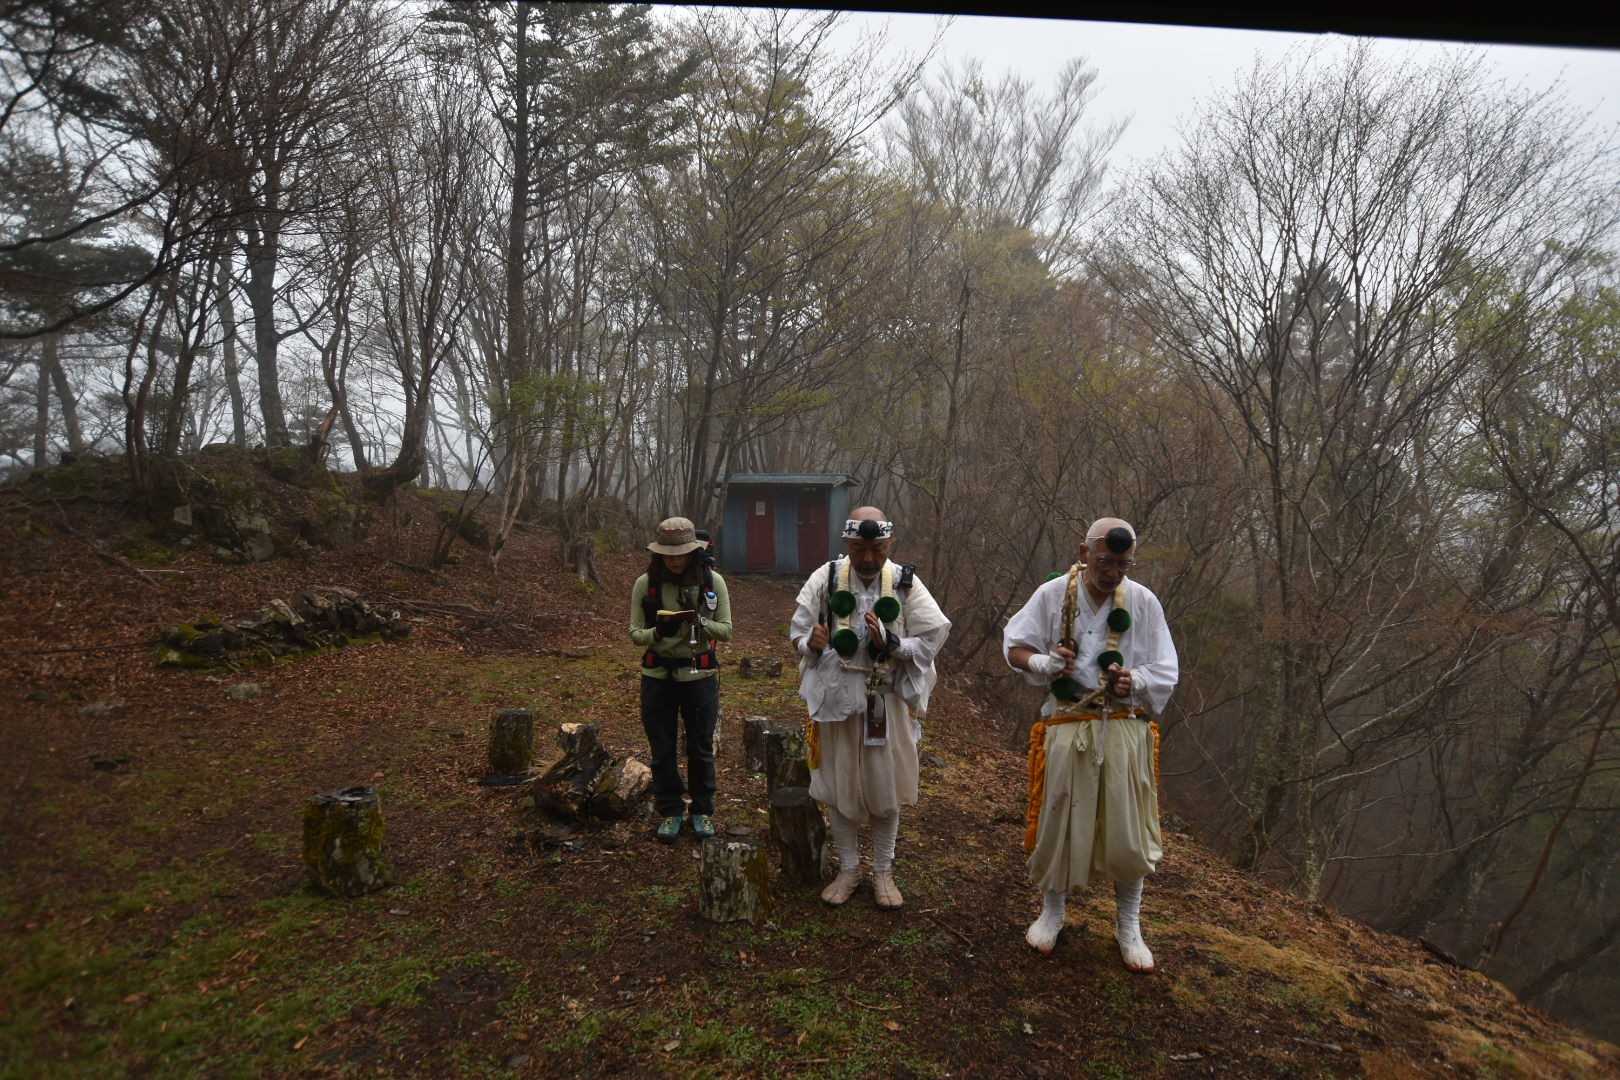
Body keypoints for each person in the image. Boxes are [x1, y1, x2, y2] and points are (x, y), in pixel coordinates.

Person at [1002, 517, 1179, 971]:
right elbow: (1015, 646)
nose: (1113, 572)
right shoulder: (1052, 594)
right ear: (1084, 553)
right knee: (1059, 820)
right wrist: (1043, 664)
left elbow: (1166, 667)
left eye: (1123, 564)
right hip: (1066, 721)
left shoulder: (1143, 601)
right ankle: (1052, 912)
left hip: (1123, 725)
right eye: (1105, 562)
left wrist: (1134, 679)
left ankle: (1129, 924)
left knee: (1129, 829)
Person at [789, 507, 951, 909]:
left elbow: (932, 636)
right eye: (859, 549)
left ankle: (882, 870)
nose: (867, 558)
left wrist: (893, 645)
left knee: (886, 784)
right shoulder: (825, 577)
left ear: (889, 544)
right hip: (836, 697)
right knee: (839, 782)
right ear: (847, 543)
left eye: (877, 550)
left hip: (886, 699)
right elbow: (797, 631)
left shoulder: (904, 582)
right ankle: (848, 868)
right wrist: (811, 642)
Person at [629, 516, 733, 842]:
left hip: (699, 676)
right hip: (657, 677)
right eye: (667, 554)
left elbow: (726, 630)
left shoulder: (712, 582)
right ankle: (671, 810)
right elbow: (635, 633)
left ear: (693, 551)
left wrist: (700, 622)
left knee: (700, 747)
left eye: (680, 554)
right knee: (662, 749)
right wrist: (658, 632)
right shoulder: (646, 583)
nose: (674, 561)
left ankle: (702, 810)